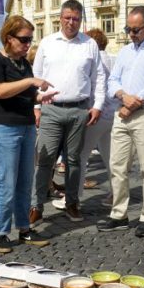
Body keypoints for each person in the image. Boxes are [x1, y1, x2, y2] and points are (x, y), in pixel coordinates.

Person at [97, 6, 144, 238]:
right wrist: (122, 96)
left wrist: (131, 104)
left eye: (136, 29)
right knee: (117, 166)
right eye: (128, 29)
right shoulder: (125, 51)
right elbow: (113, 80)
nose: (131, 33)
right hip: (123, 112)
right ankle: (119, 214)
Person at [29, 0, 106, 225]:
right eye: (67, 18)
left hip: (79, 109)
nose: (71, 22)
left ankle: (72, 202)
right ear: (60, 18)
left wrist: (98, 105)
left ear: (80, 20)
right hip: (51, 109)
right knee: (45, 159)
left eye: (75, 19)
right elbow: (36, 76)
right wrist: (36, 107)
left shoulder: (89, 44)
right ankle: (36, 206)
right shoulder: (47, 43)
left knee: (74, 160)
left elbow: (99, 77)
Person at [0, 15, 53, 253]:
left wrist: (41, 96)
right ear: (9, 37)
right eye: (23, 39)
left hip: (26, 125)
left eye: (30, 40)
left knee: (25, 180)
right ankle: (1, 233)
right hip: (3, 126)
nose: (27, 44)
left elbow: (27, 94)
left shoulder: (23, 63)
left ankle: (24, 228)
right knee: (7, 182)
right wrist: (30, 81)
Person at [52, 28, 116, 211]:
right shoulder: (114, 58)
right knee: (111, 159)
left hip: (94, 113)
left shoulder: (91, 60)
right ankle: (116, 194)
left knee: (79, 156)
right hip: (113, 113)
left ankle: (72, 197)